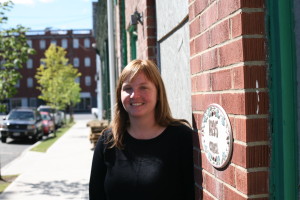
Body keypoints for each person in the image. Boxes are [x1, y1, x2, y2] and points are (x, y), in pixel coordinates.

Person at [89, 59, 195, 200]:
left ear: (158, 93)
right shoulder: (108, 141)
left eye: (143, 87)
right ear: (120, 95)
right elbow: (96, 195)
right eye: (127, 88)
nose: (134, 95)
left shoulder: (181, 138)